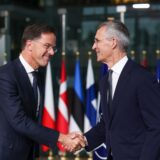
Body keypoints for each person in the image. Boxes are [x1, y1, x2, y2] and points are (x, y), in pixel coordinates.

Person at [72, 20, 160, 160]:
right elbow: (108, 124)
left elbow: (156, 127)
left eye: (97, 41)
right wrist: (84, 140)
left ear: (113, 42)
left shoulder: (142, 78)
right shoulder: (105, 80)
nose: (94, 46)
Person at [0, 23, 85, 160]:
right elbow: (19, 120)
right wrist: (61, 137)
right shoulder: (6, 76)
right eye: (47, 46)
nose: (51, 52)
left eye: (53, 48)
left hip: (31, 153)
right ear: (29, 45)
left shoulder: (38, 74)